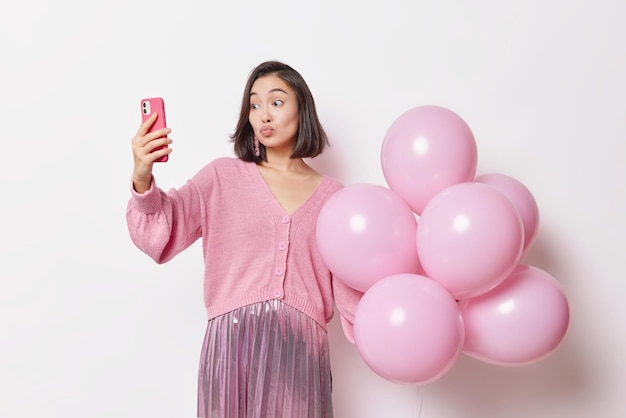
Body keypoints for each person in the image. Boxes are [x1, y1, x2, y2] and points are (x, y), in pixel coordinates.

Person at [126, 60, 363, 418]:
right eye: (254, 104)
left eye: (276, 102)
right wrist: (142, 177)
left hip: (301, 352)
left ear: (303, 109)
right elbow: (161, 231)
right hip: (232, 349)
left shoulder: (335, 198)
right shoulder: (221, 178)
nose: (263, 114)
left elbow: (354, 298)